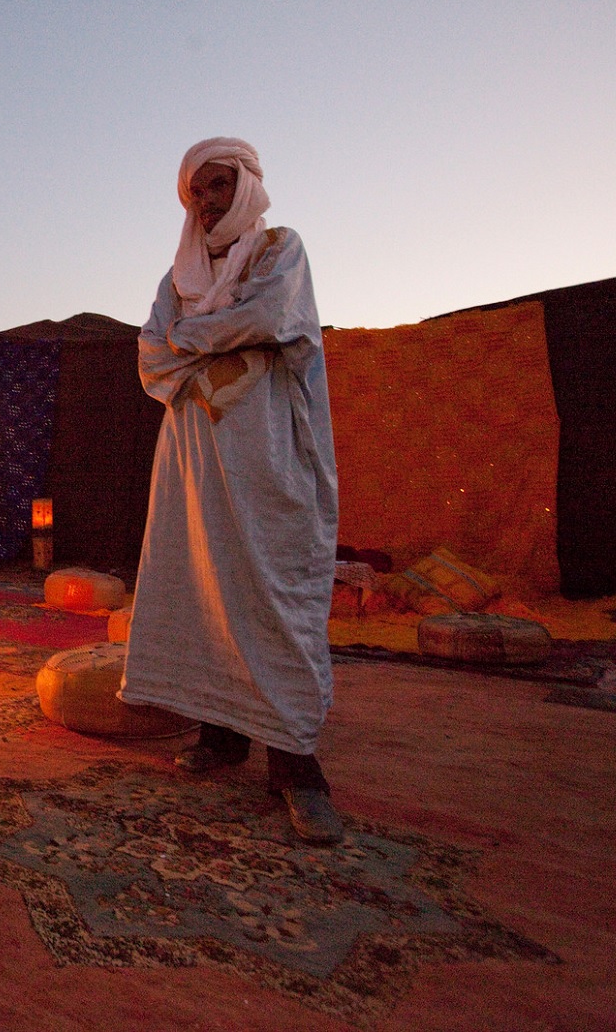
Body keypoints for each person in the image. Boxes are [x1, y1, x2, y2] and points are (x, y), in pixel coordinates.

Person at [117, 137, 343, 844]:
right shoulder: (176, 275)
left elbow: (267, 318)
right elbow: (151, 353)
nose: (208, 202)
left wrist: (193, 336)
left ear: (245, 184)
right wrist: (204, 340)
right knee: (201, 586)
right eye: (196, 192)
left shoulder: (281, 250)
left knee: (267, 590)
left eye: (218, 186)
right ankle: (222, 734)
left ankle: (296, 763)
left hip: (266, 449)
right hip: (191, 454)